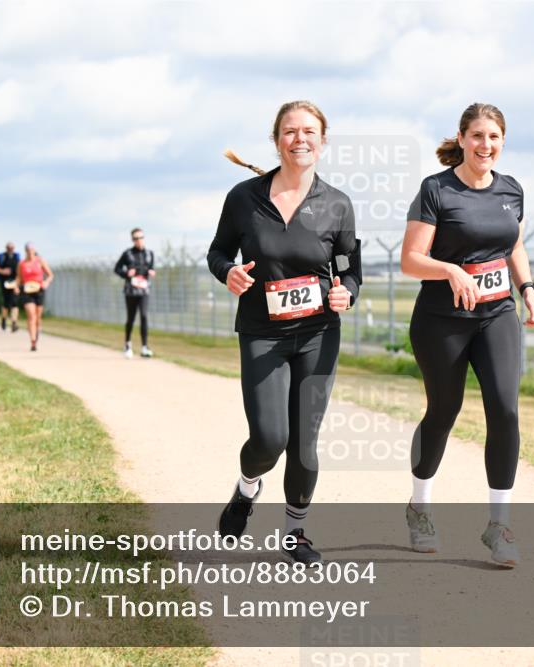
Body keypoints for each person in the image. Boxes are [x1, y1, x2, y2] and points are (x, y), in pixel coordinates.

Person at [207, 100, 361, 566]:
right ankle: (246, 488)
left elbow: (350, 269)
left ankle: (295, 534)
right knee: (270, 438)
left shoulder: (337, 204)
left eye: (309, 131)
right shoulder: (244, 198)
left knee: (304, 444)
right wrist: (229, 273)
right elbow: (218, 252)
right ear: (277, 141)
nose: (300, 139)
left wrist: (347, 293)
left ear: (323, 140)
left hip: (318, 334)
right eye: (291, 131)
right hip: (263, 333)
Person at [400, 103, 534, 568]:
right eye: (478, 136)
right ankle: (420, 507)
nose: (486, 145)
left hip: (497, 313)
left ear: (503, 142)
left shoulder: (511, 189)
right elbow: (410, 260)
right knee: (443, 411)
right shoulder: (436, 190)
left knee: (505, 409)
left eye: (494, 137)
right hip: (441, 319)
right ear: (461, 138)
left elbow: (514, 245)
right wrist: (451, 271)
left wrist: (528, 289)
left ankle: (499, 526)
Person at [114, 227, 155, 358]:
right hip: (131, 290)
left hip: (144, 289)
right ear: (132, 239)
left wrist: (151, 272)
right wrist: (126, 273)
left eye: (141, 237)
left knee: (144, 316)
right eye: (136, 238)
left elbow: (151, 268)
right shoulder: (127, 254)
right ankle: (127, 345)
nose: (139, 240)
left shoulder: (149, 253)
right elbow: (117, 269)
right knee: (131, 318)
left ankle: (144, 347)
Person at [18, 243, 53, 351]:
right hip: (27, 291)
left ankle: (37, 332)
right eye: (28, 250)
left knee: (37, 317)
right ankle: (33, 341)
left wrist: (46, 282)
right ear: (25, 251)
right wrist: (16, 287)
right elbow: (19, 278)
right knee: (31, 315)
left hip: (39, 290)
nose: (30, 252)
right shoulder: (22, 264)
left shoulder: (40, 261)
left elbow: (50, 275)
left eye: (31, 249)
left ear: (34, 250)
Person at [0, 242, 21, 332]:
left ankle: (14, 323)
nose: (10, 249)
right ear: (6, 248)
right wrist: (2, 271)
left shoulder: (17, 257)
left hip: (14, 282)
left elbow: (19, 271)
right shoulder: (2, 256)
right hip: (4, 282)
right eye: (9, 247)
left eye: (12, 247)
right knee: (6, 302)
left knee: (14, 302)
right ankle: (4, 319)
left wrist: (17, 284)